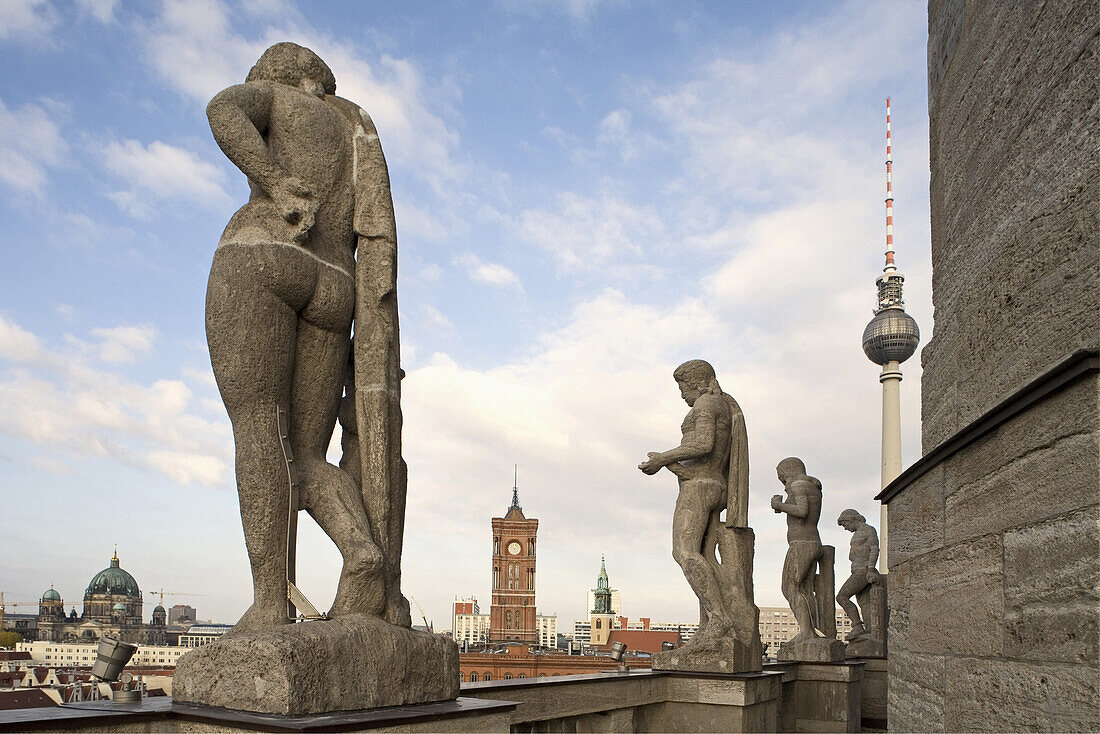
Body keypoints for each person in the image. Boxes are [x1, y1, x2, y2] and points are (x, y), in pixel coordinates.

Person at [205, 42, 384, 633]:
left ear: (279, 71)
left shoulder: (276, 98)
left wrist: (275, 183)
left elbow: (223, 109)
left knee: (260, 429)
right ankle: (362, 553)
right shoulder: (355, 124)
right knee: (306, 457)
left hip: (266, 253)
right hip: (335, 282)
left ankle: (267, 603)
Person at [639, 359, 749, 646]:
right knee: (705, 556)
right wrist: (669, 466)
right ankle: (709, 625)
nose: (682, 394)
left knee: (684, 552)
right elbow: (706, 457)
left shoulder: (706, 405)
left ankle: (719, 619)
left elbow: (704, 444)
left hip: (700, 488)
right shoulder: (721, 405)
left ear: (696, 382)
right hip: (709, 483)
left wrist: (664, 457)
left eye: (682, 386)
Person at [771, 457, 825, 644]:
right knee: (805, 589)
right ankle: (811, 631)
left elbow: (802, 511)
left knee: (789, 588)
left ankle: (807, 632)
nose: (783, 482)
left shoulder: (798, 485)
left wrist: (780, 505)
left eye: (782, 478)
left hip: (801, 543)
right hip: (812, 541)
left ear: (788, 471)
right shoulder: (812, 486)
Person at [836, 509, 880, 641]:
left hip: (863, 570)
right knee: (865, 603)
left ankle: (857, 626)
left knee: (842, 596)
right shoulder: (858, 533)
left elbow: (874, 549)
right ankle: (870, 630)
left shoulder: (868, 530)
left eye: (845, 525)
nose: (845, 528)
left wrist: (871, 569)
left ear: (851, 520)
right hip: (857, 569)